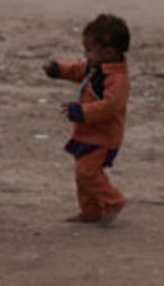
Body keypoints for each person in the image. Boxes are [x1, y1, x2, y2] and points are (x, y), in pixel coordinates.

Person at [43, 13, 131, 227]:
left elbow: (110, 107)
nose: (86, 55)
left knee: (87, 172)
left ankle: (113, 201)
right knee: (82, 174)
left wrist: (82, 112)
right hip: (87, 134)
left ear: (109, 52)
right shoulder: (96, 66)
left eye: (89, 50)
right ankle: (90, 211)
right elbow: (77, 70)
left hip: (103, 136)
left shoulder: (117, 79)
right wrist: (58, 70)